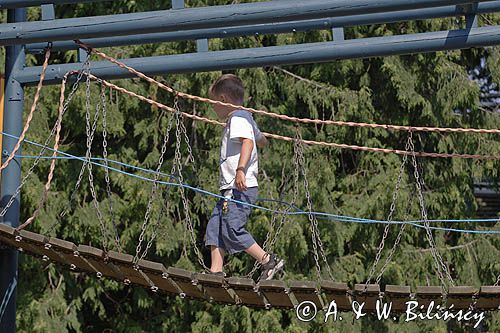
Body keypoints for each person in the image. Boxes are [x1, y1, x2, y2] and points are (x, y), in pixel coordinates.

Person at [204, 74, 284, 281]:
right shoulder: (245, 117)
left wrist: (240, 169)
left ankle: (268, 260)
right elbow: (261, 141)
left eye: (213, 102)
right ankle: (216, 270)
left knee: (232, 227)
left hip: (238, 186)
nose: (213, 108)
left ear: (222, 99)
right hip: (230, 188)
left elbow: (248, 143)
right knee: (215, 225)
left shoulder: (238, 118)